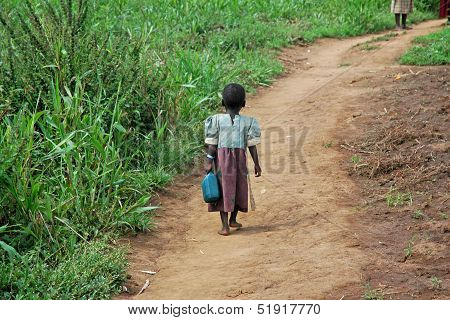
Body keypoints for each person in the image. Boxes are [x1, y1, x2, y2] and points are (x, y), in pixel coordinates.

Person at [204, 83, 262, 236]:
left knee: (223, 190)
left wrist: (209, 161)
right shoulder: (248, 122)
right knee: (239, 188)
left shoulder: (216, 120)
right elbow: (252, 146)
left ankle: (225, 225)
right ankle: (233, 219)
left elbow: (212, 145)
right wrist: (257, 164)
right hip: (240, 162)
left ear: (222, 103)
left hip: (221, 162)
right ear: (244, 104)